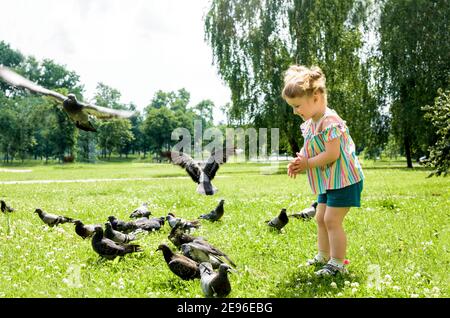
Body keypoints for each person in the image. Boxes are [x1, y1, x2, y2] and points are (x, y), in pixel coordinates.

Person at [283, 65, 364, 276]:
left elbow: (332, 154)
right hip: (329, 180)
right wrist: (300, 159)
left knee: (331, 220)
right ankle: (323, 255)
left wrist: (308, 164)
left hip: (345, 180)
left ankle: (338, 263)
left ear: (316, 97)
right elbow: (309, 147)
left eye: (298, 105)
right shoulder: (311, 123)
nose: (295, 111)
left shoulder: (330, 121)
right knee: (320, 218)